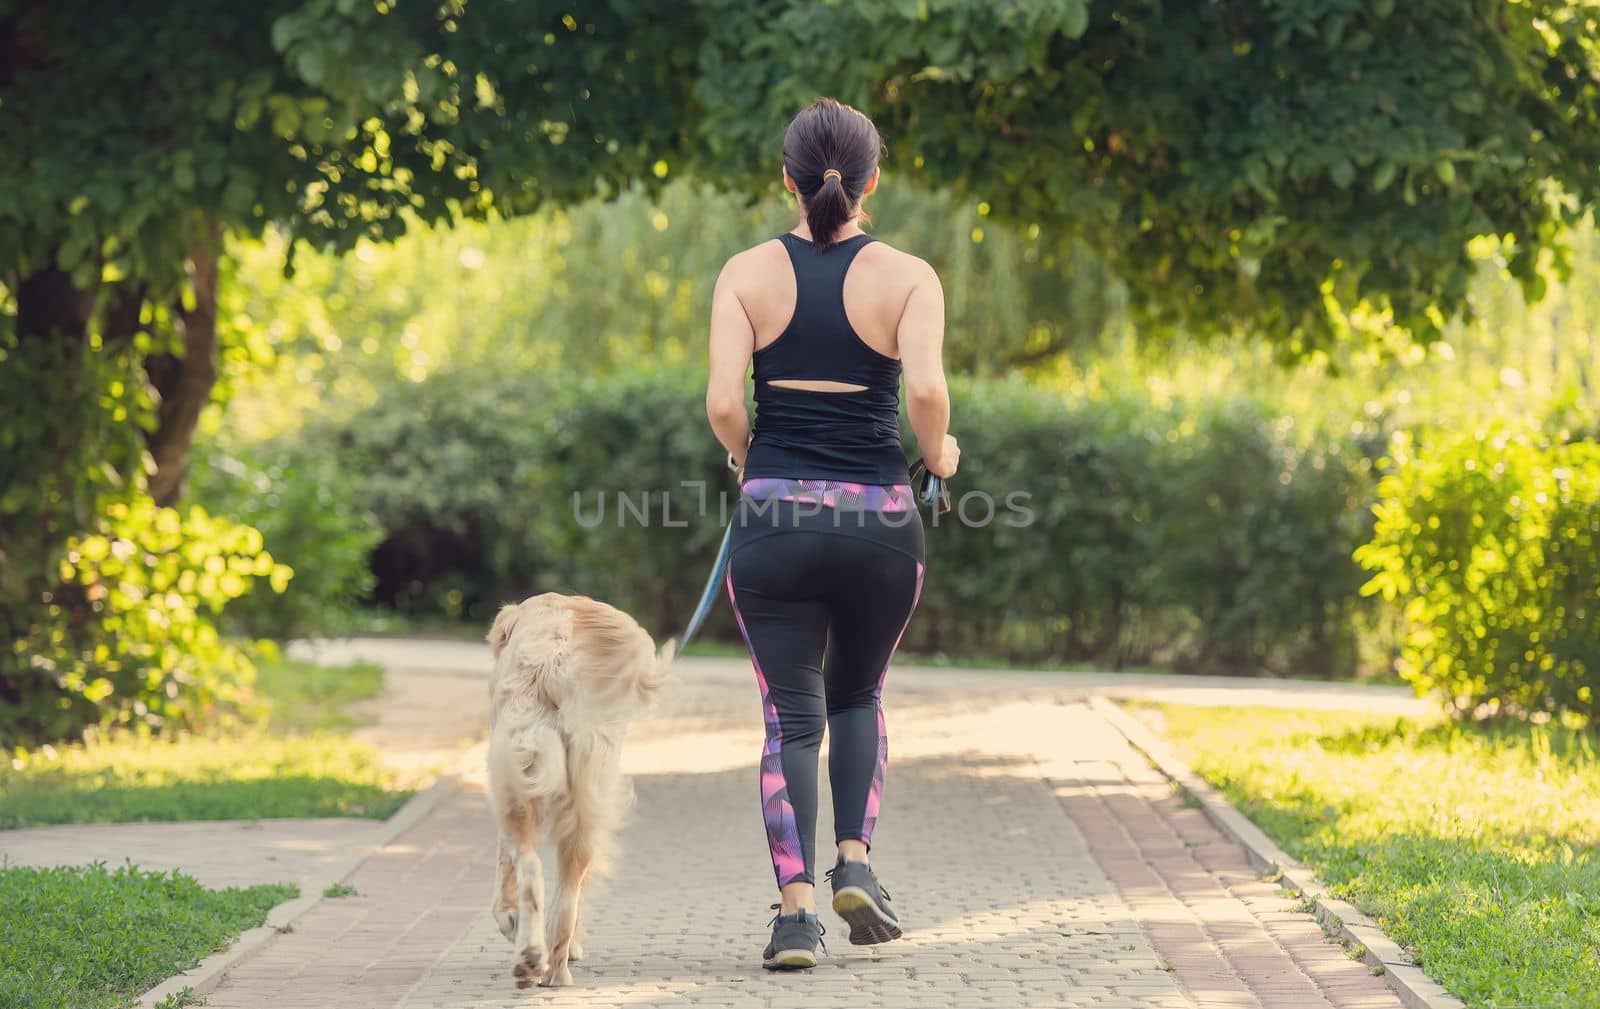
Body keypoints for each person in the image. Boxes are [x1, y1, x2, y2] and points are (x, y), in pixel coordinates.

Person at [704, 96, 959, 971]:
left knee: (788, 717)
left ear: (786, 178)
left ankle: (797, 915)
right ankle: (856, 859)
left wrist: (750, 458)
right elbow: (923, 393)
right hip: (880, 523)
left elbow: (723, 405)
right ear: (872, 178)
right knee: (859, 696)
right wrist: (942, 453)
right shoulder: (910, 275)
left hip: (774, 519)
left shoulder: (744, 273)